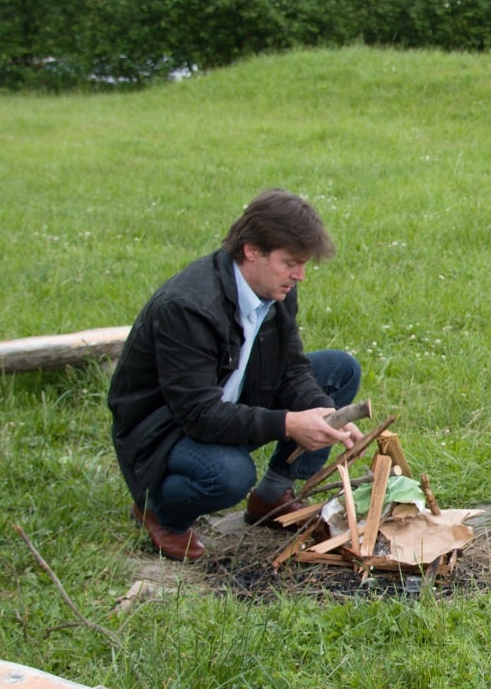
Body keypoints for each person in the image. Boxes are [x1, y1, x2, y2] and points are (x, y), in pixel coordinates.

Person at [107, 190, 363, 561]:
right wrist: (289, 424)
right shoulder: (188, 306)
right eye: (290, 263)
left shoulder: (276, 290)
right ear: (252, 250)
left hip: (226, 397)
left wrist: (325, 412)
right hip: (163, 429)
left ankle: (272, 494)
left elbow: (292, 367)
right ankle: (160, 512)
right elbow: (198, 414)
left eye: (303, 264)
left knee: (339, 371)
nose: (300, 276)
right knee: (229, 476)